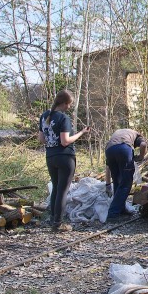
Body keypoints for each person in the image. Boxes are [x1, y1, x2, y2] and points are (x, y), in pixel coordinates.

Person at [38, 90, 90, 232]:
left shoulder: (45, 116)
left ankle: (52, 218)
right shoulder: (63, 118)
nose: (69, 107)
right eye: (69, 104)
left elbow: (41, 139)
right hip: (65, 157)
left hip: (50, 157)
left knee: (56, 187)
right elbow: (65, 141)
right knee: (63, 190)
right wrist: (81, 133)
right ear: (65, 103)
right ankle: (58, 223)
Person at [104, 129, 148, 222]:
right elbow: (143, 145)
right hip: (124, 149)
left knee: (117, 181)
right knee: (126, 183)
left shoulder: (118, 134)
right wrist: (141, 157)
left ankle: (121, 209)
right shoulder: (137, 135)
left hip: (109, 150)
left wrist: (108, 184)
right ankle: (113, 214)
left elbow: (107, 166)